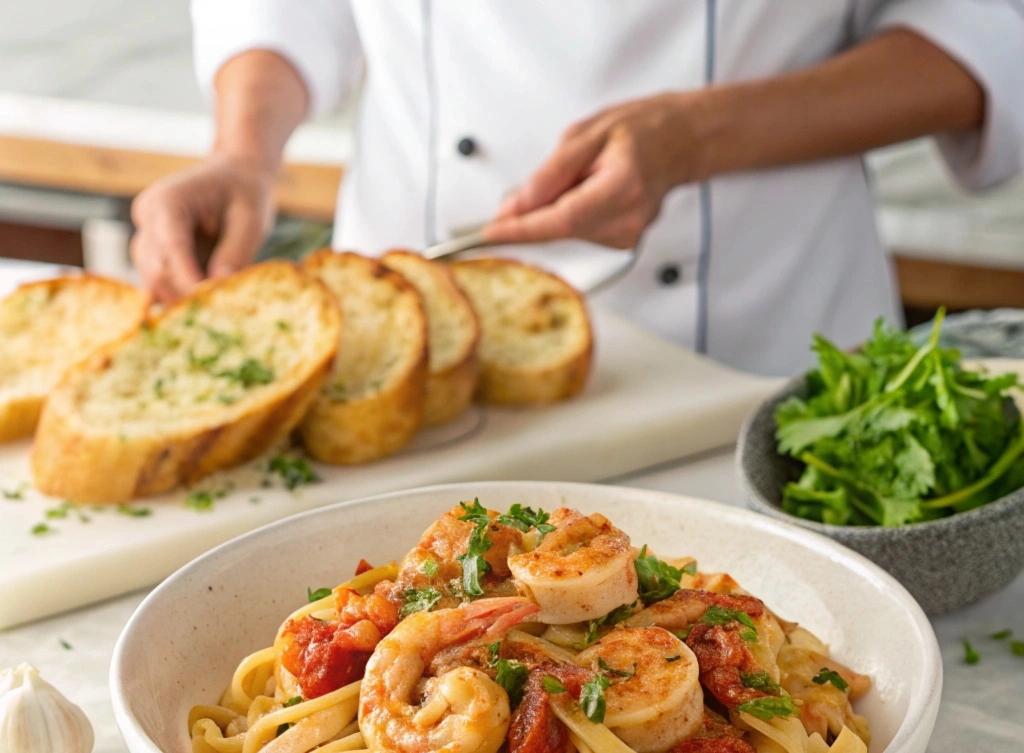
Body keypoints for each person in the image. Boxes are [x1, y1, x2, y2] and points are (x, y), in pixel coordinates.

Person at [131, 1, 1024, 374]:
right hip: (407, 349)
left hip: (758, 339)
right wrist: (244, 150)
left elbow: (988, 28)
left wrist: (697, 136)